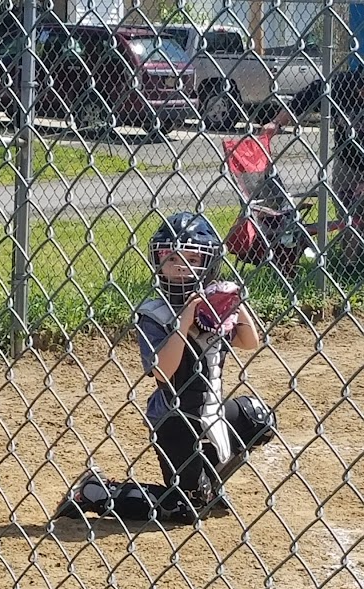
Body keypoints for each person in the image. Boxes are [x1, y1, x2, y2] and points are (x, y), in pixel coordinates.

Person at [54, 212, 276, 524]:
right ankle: (94, 493)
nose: (180, 266)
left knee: (259, 419)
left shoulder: (214, 307)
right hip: (175, 420)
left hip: (210, 411)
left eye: (192, 258)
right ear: (158, 262)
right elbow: (162, 371)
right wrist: (184, 321)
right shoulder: (153, 314)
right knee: (185, 509)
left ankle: (206, 483)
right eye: (170, 258)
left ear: (209, 264)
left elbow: (249, 342)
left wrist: (236, 305)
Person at [261, 65, 364, 266]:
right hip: (348, 163)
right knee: (349, 216)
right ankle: (350, 266)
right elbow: (304, 98)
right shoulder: (340, 85)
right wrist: (277, 123)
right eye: (361, 89)